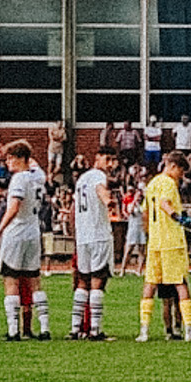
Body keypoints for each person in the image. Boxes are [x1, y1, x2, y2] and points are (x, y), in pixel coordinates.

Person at [0, 141, 50, 340]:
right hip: (33, 232)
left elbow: (13, 208)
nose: (7, 162)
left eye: (11, 158)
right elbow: (30, 151)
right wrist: (9, 147)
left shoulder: (19, 179)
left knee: (10, 280)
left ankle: (13, 330)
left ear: (21, 159)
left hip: (17, 233)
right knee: (34, 281)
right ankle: (44, 328)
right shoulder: (38, 176)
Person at [139, 150, 191, 341]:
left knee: (150, 284)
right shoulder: (168, 183)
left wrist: (149, 235)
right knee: (180, 283)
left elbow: (145, 213)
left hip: (155, 242)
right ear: (173, 166)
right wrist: (178, 217)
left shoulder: (152, 183)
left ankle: (144, 330)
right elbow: (164, 203)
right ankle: (189, 331)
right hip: (171, 241)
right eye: (181, 171)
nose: (181, 176)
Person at [72, 145, 118, 340]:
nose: (110, 164)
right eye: (106, 159)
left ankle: (75, 329)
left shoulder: (82, 179)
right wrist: (108, 201)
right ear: (97, 158)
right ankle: (95, 330)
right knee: (98, 281)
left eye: (112, 160)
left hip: (83, 236)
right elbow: (101, 191)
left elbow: (75, 208)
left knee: (82, 282)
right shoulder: (99, 176)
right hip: (98, 235)